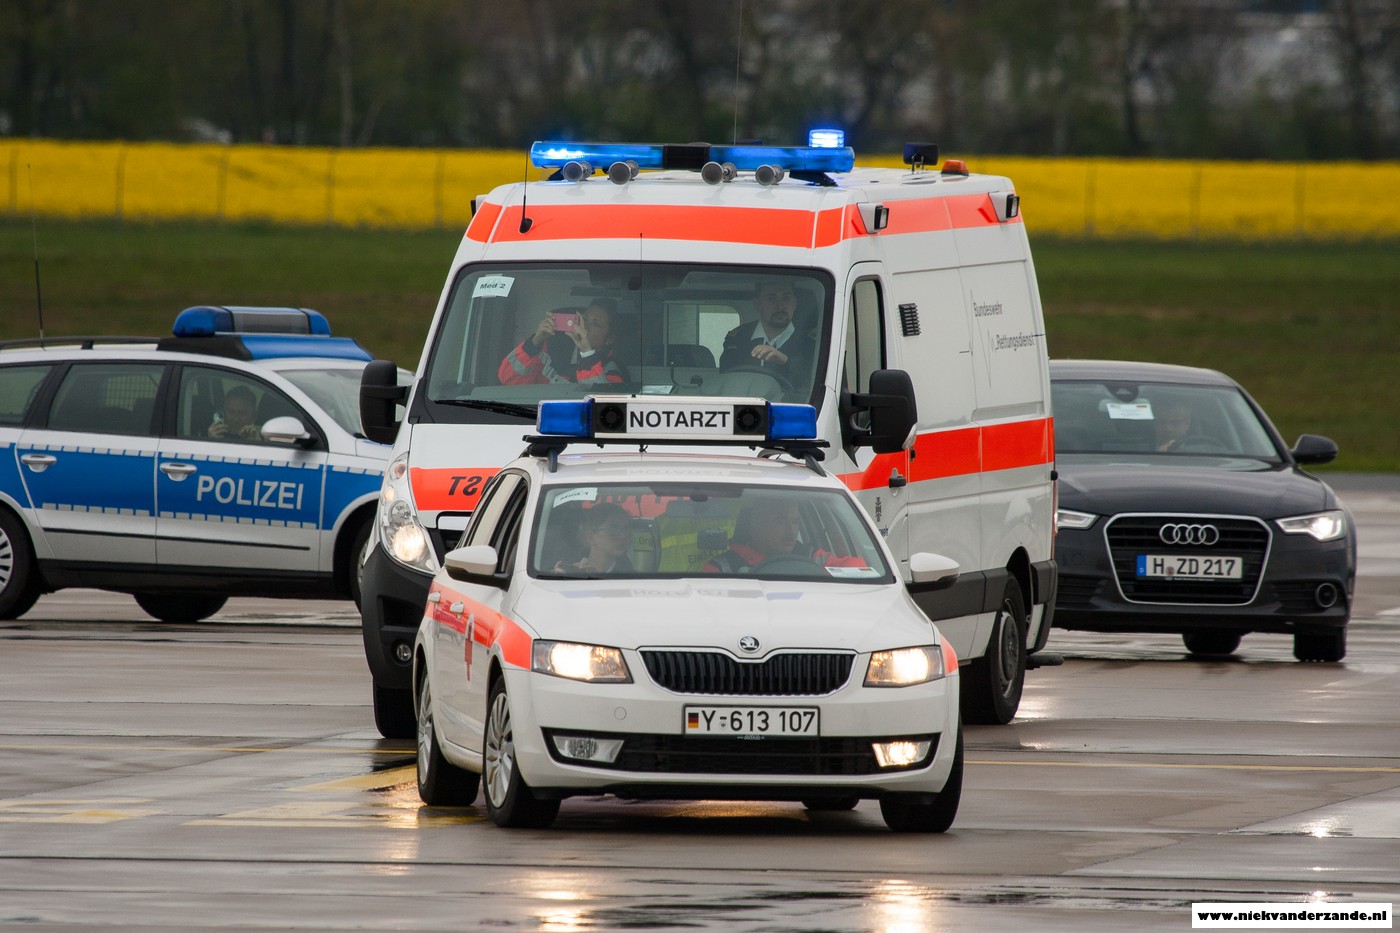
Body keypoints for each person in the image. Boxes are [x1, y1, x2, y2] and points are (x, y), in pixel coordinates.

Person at [703, 497, 866, 574]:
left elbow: (860, 572)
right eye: (781, 522)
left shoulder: (813, 558)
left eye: (795, 522)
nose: (791, 531)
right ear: (758, 524)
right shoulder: (724, 568)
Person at [498, 298, 627, 386]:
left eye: (596, 324)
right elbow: (508, 380)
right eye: (585, 319)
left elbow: (596, 406)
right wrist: (535, 342)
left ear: (610, 338)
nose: (585, 326)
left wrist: (587, 354)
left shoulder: (613, 372)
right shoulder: (550, 345)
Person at [718, 279, 816, 378]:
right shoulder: (738, 338)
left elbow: (813, 379)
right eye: (771, 299)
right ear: (757, 304)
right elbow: (726, 377)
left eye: (786, 298)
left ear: (794, 303)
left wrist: (785, 361)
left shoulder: (810, 342)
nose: (780, 306)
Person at [553, 502, 634, 574]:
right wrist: (559, 579)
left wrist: (597, 577)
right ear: (590, 537)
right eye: (613, 530)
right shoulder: (571, 569)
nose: (623, 536)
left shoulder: (634, 577)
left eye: (626, 530)